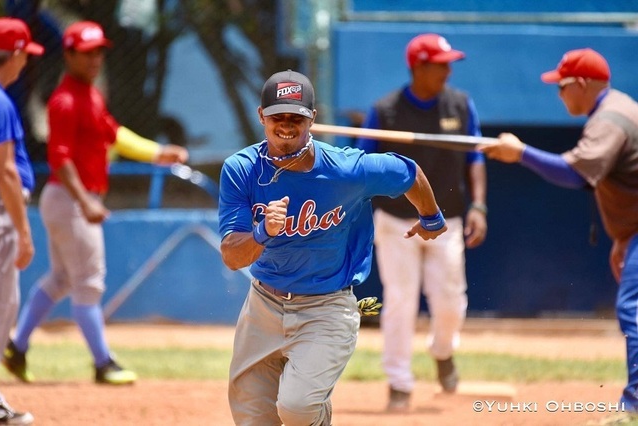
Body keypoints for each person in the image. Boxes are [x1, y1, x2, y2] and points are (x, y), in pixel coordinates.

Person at [219, 69, 447, 426]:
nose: (286, 125)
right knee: (253, 417)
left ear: (312, 119)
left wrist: (431, 216)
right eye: (277, 116)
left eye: (297, 117)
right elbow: (233, 255)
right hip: (263, 306)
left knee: (297, 408)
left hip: (326, 307)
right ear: (261, 115)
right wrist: (262, 232)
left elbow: (409, 172)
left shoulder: (346, 169)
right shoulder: (241, 169)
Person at [1, 20, 188, 386]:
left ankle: (18, 347)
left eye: (100, 52)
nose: (95, 60)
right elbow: (60, 158)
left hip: (67, 200)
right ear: (68, 54)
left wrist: (157, 153)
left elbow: (113, 133)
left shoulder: (90, 95)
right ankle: (103, 363)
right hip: (71, 199)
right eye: (87, 53)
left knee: (60, 279)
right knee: (89, 282)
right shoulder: (66, 100)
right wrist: (86, 201)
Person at [480, 48, 638, 411]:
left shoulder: (611, 117)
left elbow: (574, 173)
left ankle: (634, 406)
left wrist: (520, 153)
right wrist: (626, 238)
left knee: (633, 309)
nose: (558, 93)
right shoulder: (618, 106)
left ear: (581, 84)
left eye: (562, 86)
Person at [355, 33, 487, 410]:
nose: (448, 70)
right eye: (441, 63)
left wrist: (479, 206)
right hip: (396, 220)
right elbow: (362, 168)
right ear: (418, 67)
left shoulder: (460, 106)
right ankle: (399, 382)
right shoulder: (385, 111)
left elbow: (475, 157)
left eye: (449, 63)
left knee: (449, 301)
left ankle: (443, 351)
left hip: (447, 219)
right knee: (400, 300)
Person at [0, 16, 43, 425]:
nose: (25, 63)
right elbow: (6, 171)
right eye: (23, 55)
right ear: (12, 55)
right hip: (0, 215)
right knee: (2, 304)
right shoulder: (0, 101)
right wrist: (24, 232)